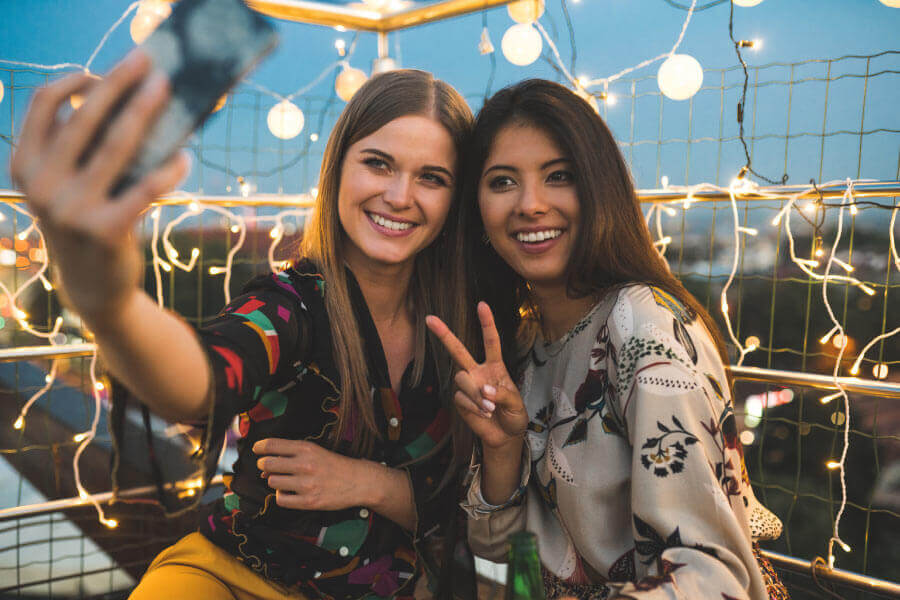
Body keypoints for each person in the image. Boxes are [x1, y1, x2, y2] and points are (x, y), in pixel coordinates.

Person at [10, 51, 477, 600]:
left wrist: (372, 484)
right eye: (378, 163)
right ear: (338, 169)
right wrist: (110, 301)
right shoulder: (291, 305)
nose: (400, 196)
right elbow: (206, 380)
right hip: (234, 579)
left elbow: (496, 502)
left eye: (432, 177)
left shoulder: (471, 321)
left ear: (455, 199)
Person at [427, 79, 788, 599]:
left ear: (598, 188)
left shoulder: (645, 330)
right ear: (477, 209)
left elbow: (713, 582)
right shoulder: (521, 348)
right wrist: (502, 453)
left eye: (559, 176)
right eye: (503, 181)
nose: (530, 204)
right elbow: (501, 572)